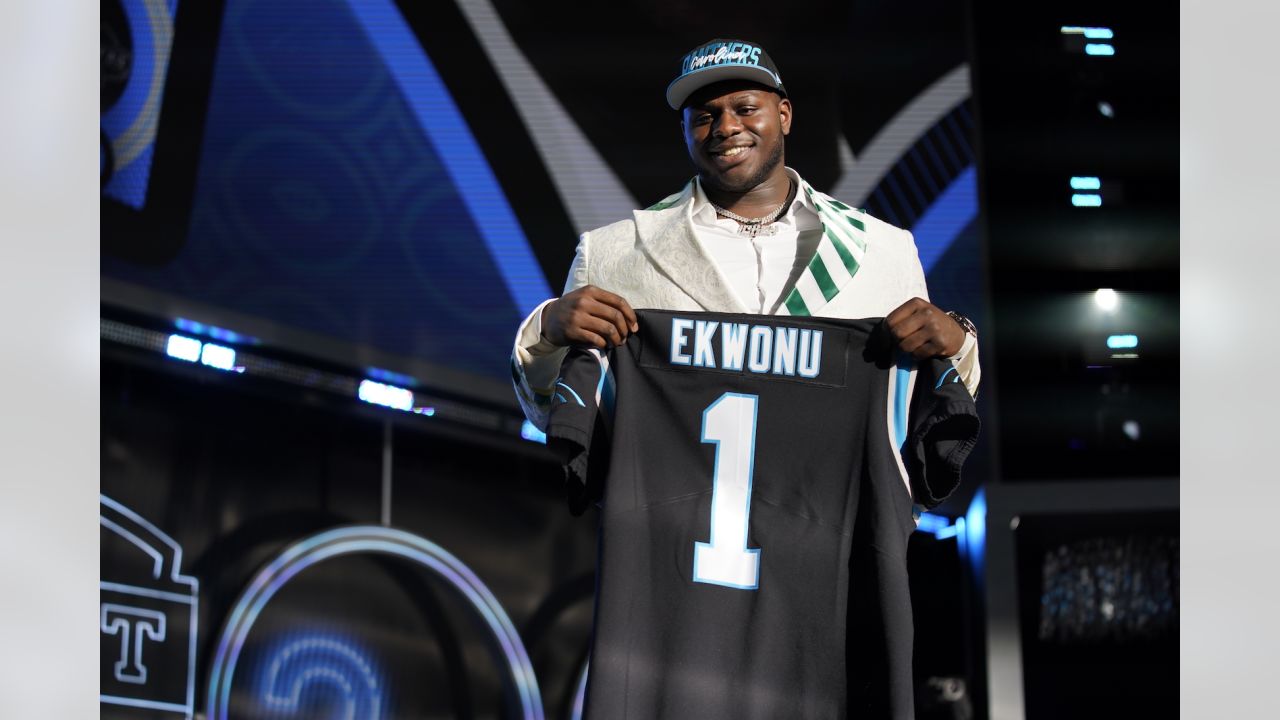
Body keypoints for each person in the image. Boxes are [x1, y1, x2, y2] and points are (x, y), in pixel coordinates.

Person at [511, 37, 979, 431]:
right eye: (703, 116)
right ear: (685, 132)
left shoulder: (883, 249)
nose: (726, 127)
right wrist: (547, 333)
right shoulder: (614, 252)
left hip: (833, 529)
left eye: (745, 108)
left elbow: (924, 409)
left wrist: (958, 346)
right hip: (672, 531)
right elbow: (554, 414)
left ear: (785, 116)